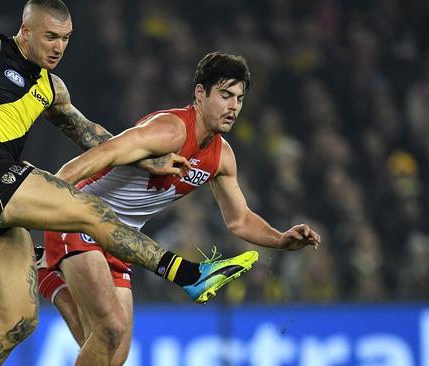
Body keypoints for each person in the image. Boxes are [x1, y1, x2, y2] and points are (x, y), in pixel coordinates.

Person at [0, 2, 260, 364]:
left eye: (65, 39)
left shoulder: (52, 88)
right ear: (26, 31)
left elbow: (92, 135)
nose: (58, 47)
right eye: (50, 36)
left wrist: (152, 158)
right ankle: (187, 274)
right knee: (92, 211)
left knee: (18, 321)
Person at [37, 51, 322, 365]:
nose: (233, 107)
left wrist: (281, 239)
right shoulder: (170, 130)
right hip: (81, 220)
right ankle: (47, 267)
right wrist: (47, 194)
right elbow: (103, 152)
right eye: (225, 95)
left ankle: (46, 274)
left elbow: (239, 219)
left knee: (114, 354)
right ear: (201, 93)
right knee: (109, 329)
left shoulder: (222, 157)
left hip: (126, 243)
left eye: (239, 99)